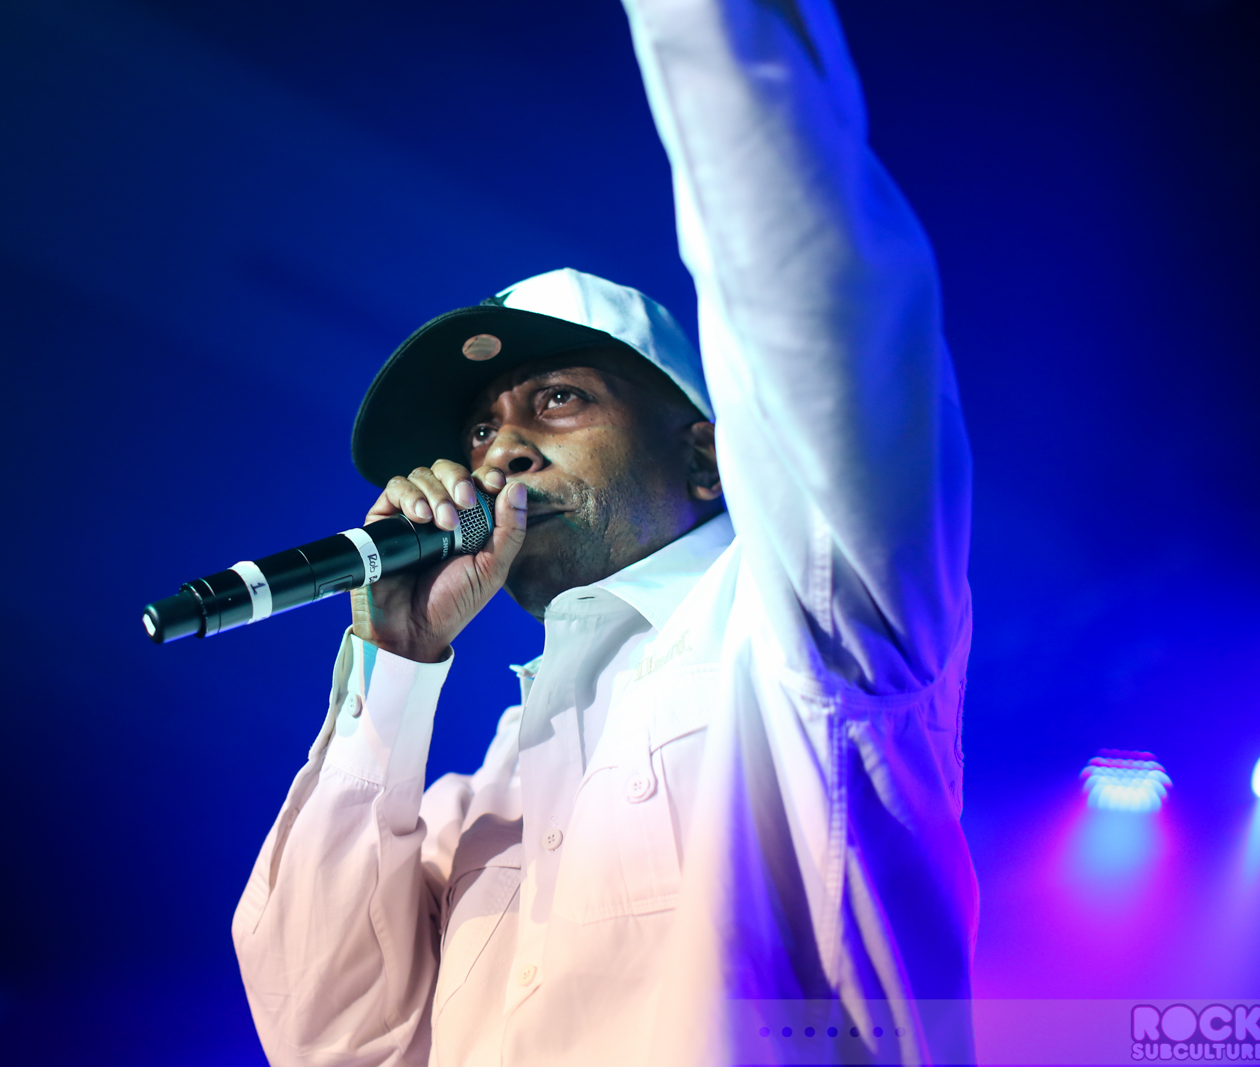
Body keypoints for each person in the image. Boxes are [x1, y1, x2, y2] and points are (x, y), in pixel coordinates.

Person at [232, 0, 976, 1063]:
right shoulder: (477, 798)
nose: (500, 451)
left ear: (707, 456)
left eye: (559, 401)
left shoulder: (804, 635)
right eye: (480, 429)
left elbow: (810, 295)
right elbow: (326, 1037)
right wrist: (392, 662)